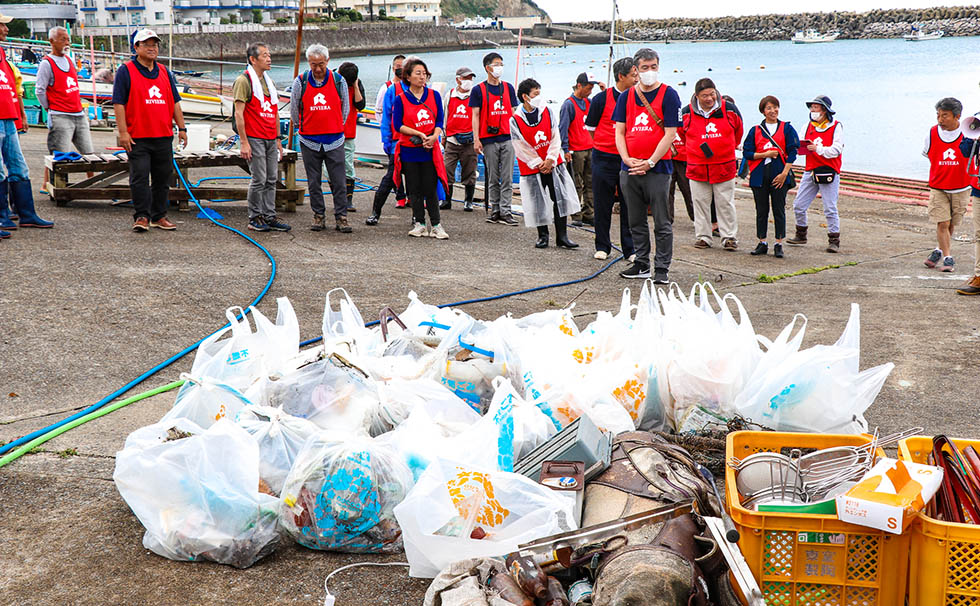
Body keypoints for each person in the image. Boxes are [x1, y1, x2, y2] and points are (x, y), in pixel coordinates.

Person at [613, 48, 681, 282]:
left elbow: (670, 133)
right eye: (644, 68)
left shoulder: (669, 94)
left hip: (658, 168)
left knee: (662, 221)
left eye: (653, 67)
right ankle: (641, 263)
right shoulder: (626, 97)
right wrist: (625, 158)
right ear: (636, 69)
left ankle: (661, 267)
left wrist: (650, 161)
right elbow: (620, 131)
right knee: (635, 220)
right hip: (630, 168)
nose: (649, 71)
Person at [112, 29, 185, 233]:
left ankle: (159, 215)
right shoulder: (126, 71)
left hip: (163, 135)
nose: (152, 48)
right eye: (147, 44)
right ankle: (142, 215)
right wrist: (123, 132)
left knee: (163, 178)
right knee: (140, 177)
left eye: (155, 44)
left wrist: (182, 128)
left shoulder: (164, 71)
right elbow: (118, 103)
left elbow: (175, 102)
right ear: (136, 48)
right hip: (138, 137)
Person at [511, 78, 580, 249]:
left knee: (560, 198)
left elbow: (555, 135)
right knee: (537, 201)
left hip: (553, 163)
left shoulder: (547, 111)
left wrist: (550, 158)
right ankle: (543, 236)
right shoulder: (515, 120)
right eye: (535, 94)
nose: (539, 97)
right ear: (525, 96)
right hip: (533, 167)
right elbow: (520, 146)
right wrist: (538, 163)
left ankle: (562, 236)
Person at [0, 12, 51, 237]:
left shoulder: (3, 55)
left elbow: (13, 87)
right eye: (2, 25)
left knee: (18, 166)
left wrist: (19, 114)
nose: (6, 29)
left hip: (7, 118)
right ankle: (2, 216)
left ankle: (26, 213)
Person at [290, 44, 350, 233]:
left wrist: (337, 125)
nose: (317, 69)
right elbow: (294, 108)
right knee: (313, 181)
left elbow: (345, 108)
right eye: (313, 64)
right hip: (309, 140)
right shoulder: (301, 81)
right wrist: (301, 127)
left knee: (339, 181)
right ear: (308, 63)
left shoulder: (339, 81)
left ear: (328, 61)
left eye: (321, 64)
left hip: (335, 140)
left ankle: (341, 217)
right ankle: (318, 216)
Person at [234, 42, 290, 233]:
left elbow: (274, 112)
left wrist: (278, 138)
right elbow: (239, 113)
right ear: (253, 59)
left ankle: (269, 215)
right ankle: (255, 216)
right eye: (265, 55)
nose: (269, 58)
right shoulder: (244, 81)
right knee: (259, 178)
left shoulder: (269, 82)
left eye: (269, 55)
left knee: (271, 178)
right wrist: (244, 142)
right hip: (254, 136)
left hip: (270, 136)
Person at [392, 56, 449, 239]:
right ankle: (420, 223)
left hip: (429, 150)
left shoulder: (434, 95)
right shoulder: (401, 99)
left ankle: (437, 225)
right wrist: (418, 133)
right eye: (418, 73)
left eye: (424, 73)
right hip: (409, 149)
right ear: (408, 76)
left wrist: (434, 136)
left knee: (430, 188)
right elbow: (397, 125)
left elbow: (439, 120)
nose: (422, 77)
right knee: (414, 189)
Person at [682, 78, 743, 251]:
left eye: (712, 94)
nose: (709, 98)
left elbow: (738, 130)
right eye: (704, 96)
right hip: (697, 165)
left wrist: (726, 147)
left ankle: (729, 237)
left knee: (725, 202)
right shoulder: (686, 112)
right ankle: (703, 236)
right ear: (696, 96)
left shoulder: (729, 109)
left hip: (724, 165)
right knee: (700, 202)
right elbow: (682, 133)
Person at [585, 57, 635, 261]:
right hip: (604, 158)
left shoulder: (638, 97)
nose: (637, 79)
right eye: (633, 75)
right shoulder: (600, 99)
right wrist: (605, 144)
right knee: (602, 204)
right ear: (621, 76)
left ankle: (630, 249)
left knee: (629, 204)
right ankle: (602, 246)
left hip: (628, 159)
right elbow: (591, 129)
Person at [37, 26, 95, 191]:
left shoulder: (69, 60)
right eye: (63, 39)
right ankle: (49, 185)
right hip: (60, 114)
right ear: (52, 41)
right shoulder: (46, 63)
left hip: (78, 113)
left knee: (89, 152)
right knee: (59, 154)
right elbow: (40, 90)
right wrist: (49, 108)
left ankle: (94, 183)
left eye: (68, 39)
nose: (67, 43)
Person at [742, 95, 799, 258]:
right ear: (763, 111)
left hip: (779, 173)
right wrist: (764, 154)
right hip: (759, 175)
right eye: (769, 108)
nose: (773, 111)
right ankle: (762, 242)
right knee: (761, 210)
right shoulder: (755, 130)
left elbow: (793, 152)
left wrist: (784, 174)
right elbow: (747, 152)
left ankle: (778, 243)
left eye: (775, 107)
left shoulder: (787, 128)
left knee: (779, 209)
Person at [921, 97, 971, 272]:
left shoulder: (968, 134)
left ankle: (938, 251)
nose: (940, 119)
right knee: (942, 222)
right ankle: (948, 259)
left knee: (951, 223)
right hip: (938, 187)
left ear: (957, 116)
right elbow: (929, 155)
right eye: (938, 115)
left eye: (945, 116)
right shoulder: (932, 133)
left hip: (961, 187)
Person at [788, 95, 843, 252]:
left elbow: (837, 149)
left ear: (824, 110)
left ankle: (834, 240)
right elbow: (799, 143)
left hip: (829, 171)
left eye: (815, 107)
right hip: (810, 170)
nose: (812, 110)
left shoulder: (836, 126)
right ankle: (801, 234)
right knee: (799, 205)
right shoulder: (807, 126)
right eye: (811, 107)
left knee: (830, 207)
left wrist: (818, 149)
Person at [470, 52, 520, 226]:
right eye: (496, 64)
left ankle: (506, 211)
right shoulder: (478, 90)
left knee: (507, 177)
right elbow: (475, 115)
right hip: (489, 139)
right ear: (488, 68)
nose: (500, 68)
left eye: (501, 64)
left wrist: (518, 136)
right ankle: (495, 210)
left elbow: (514, 113)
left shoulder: (508, 88)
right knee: (493, 176)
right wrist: (476, 139)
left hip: (507, 137)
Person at [366, 54, 408, 224]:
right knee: (390, 177)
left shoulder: (426, 92)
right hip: (397, 143)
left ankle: (417, 217)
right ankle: (376, 212)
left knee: (417, 180)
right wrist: (387, 140)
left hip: (418, 144)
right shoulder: (391, 90)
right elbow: (384, 117)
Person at [560, 72, 599, 226]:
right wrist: (565, 149)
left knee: (591, 182)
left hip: (590, 147)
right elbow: (563, 128)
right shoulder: (569, 104)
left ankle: (588, 212)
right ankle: (575, 214)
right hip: (576, 150)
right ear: (579, 86)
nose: (590, 92)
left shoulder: (589, 102)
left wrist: (603, 91)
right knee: (576, 183)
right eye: (588, 88)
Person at [442, 66, 478, 211]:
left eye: (470, 78)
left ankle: (468, 201)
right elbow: (445, 115)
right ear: (458, 80)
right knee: (447, 169)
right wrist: (444, 135)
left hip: (470, 140)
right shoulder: (450, 95)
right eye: (465, 78)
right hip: (452, 139)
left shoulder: (475, 95)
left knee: (470, 171)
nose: (468, 81)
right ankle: (447, 200)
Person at [337, 61, 364, 214]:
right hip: (332, 132)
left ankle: (348, 200)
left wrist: (355, 86)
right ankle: (338, 197)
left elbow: (361, 105)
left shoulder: (356, 84)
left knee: (348, 166)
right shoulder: (333, 83)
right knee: (328, 168)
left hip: (348, 132)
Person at [669, 118, 694, 222]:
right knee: (667, 191)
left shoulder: (687, 117)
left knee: (688, 190)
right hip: (669, 157)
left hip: (684, 158)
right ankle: (667, 219)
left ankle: (697, 218)